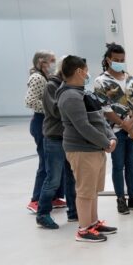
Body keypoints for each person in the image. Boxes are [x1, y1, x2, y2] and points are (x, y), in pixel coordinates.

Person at [58, 55, 118, 242]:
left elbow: (98, 117)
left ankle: (93, 223)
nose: (87, 73)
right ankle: (83, 230)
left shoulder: (82, 92)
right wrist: (104, 142)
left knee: (92, 190)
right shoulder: (69, 95)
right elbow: (82, 126)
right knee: (85, 191)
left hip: (95, 147)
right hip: (82, 149)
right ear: (78, 71)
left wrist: (111, 136)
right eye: (85, 70)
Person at [93, 43, 133, 214]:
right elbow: (105, 108)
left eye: (122, 60)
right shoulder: (101, 81)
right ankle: (120, 199)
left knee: (131, 164)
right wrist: (125, 125)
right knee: (118, 165)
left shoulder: (132, 79)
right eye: (116, 60)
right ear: (108, 60)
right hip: (115, 130)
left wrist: (131, 123)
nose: (119, 62)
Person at [36, 57, 77, 229]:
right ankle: (42, 214)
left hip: (69, 138)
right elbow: (55, 110)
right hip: (54, 138)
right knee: (53, 178)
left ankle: (74, 212)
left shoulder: (72, 85)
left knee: (71, 177)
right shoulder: (52, 85)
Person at [26, 50, 65, 214]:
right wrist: (51, 109)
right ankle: (36, 199)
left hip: (49, 121)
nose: (54, 64)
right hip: (41, 122)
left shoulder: (46, 78)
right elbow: (30, 101)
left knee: (55, 162)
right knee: (46, 162)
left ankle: (54, 196)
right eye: (52, 60)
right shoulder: (37, 78)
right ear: (41, 62)